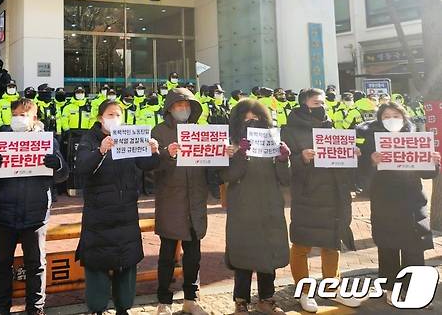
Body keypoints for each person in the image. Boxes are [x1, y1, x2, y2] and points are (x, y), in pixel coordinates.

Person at [0, 98, 68, 315]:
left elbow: (63, 175)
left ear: (34, 118)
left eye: (23, 115)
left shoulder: (47, 141)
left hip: (36, 215)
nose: (18, 118)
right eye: (15, 114)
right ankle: (1, 309)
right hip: (3, 215)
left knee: (36, 266)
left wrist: (57, 165)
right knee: (1, 265)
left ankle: (36, 310)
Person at [75, 100, 160, 315]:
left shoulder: (128, 137)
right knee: (97, 264)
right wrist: (101, 150)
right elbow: (82, 167)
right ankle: (97, 308)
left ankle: (124, 307)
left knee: (127, 261)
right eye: (110, 114)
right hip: (99, 215)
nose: (115, 118)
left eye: (118, 114)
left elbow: (146, 164)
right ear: (100, 118)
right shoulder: (89, 140)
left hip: (127, 214)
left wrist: (154, 152)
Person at [282, 88, 361, 312]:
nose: (322, 107)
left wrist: (351, 155)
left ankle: (333, 288)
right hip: (307, 194)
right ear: (304, 105)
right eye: (317, 103)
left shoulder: (330, 127)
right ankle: (304, 292)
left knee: (331, 242)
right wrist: (301, 159)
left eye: (324, 103)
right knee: (301, 244)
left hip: (333, 194)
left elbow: (342, 166)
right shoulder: (289, 131)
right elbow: (282, 166)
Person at [357, 102, 441, 306]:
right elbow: (360, 180)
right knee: (388, 247)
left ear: (404, 118)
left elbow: (427, 174)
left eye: (396, 115)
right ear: (379, 119)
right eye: (386, 116)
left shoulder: (415, 139)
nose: (391, 119)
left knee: (414, 246)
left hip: (413, 201)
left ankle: (415, 290)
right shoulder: (369, 142)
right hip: (385, 201)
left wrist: (433, 162)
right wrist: (371, 163)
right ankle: (390, 288)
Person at [222, 99, 290, 315]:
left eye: (256, 118)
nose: (251, 123)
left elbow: (285, 179)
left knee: (268, 252)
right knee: (242, 251)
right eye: (246, 119)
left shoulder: (273, 139)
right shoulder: (230, 143)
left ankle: (267, 298)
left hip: (269, 203)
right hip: (242, 206)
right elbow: (226, 176)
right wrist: (240, 155)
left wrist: (282, 159)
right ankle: (241, 300)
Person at [152, 88, 210, 315]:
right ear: (169, 108)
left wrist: (222, 153)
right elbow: (150, 166)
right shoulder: (158, 131)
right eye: (178, 106)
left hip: (195, 201)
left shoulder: (201, 131)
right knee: (167, 254)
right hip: (171, 201)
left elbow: (211, 165)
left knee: (193, 255)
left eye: (187, 106)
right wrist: (167, 154)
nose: (183, 110)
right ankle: (164, 301)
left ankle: (191, 299)